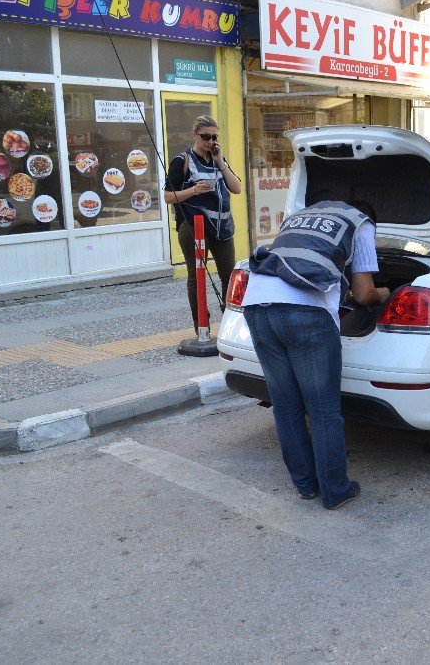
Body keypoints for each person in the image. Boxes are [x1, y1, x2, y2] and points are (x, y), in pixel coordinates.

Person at [241, 200, 390, 510]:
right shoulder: (361, 223)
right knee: (323, 409)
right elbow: (363, 293)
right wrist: (382, 294)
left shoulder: (299, 217)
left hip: (256, 304)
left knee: (285, 404)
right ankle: (336, 490)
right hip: (305, 314)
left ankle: (306, 485)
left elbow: (300, 264)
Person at [164, 115, 242, 332]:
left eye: (214, 137)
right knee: (197, 275)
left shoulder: (219, 159)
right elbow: (168, 197)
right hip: (193, 226)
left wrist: (220, 161)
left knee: (230, 275)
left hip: (222, 228)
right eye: (205, 136)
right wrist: (194, 190)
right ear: (194, 135)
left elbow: (236, 188)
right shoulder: (182, 161)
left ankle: (230, 326)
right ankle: (202, 327)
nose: (210, 141)